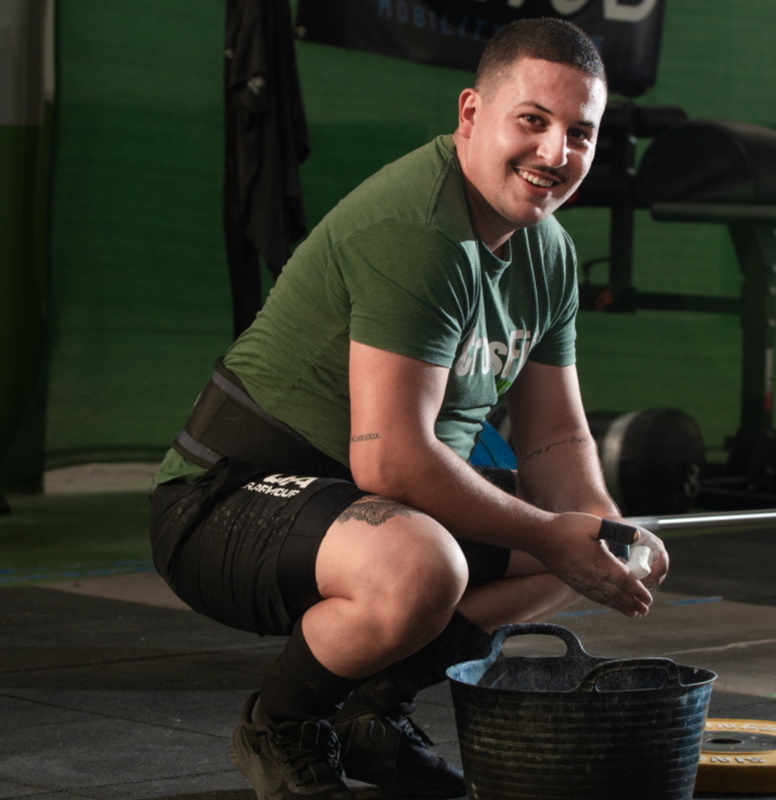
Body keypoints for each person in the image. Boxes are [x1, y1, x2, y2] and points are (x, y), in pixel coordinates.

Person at [149, 17, 669, 800]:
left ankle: (372, 715)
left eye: (579, 134)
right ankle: (281, 725)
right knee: (425, 565)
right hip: (228, 497)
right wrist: (554, 535)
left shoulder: (548, 250)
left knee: (597, 551)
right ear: (470, 115)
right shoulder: (420, 228)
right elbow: (388, 458)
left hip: (369, 507)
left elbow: (556, 436)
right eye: (532, 121)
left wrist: (602, 531)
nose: (555, 155)